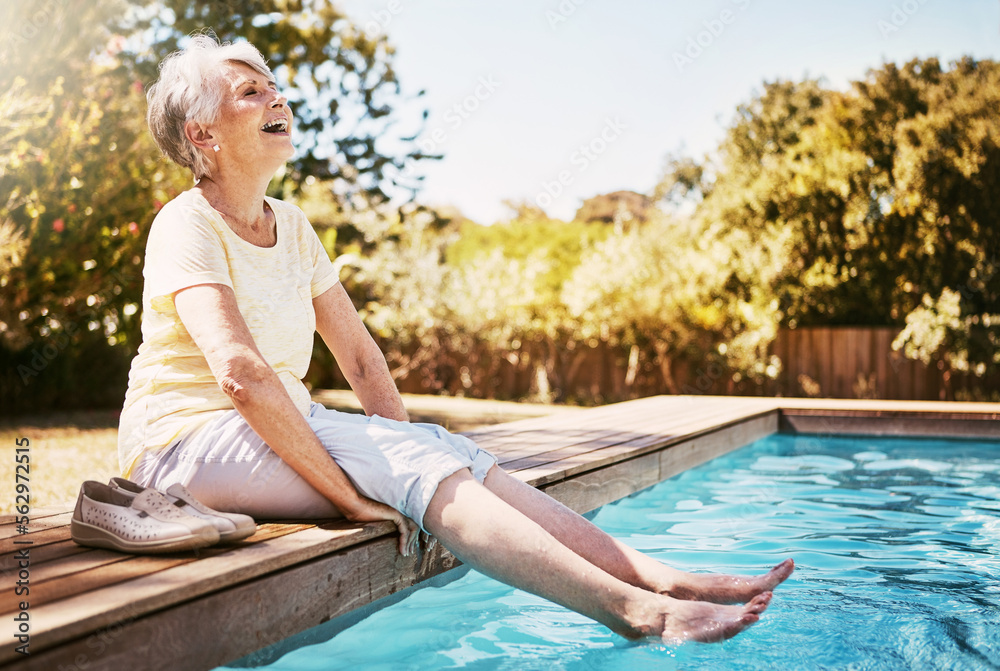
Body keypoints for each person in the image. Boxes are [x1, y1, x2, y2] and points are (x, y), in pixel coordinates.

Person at [119, 33, 793, 644]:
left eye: (274, 85)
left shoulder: (292, 226)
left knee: (448, 449)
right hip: (182, 444)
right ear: (202, 133)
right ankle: (638, 610)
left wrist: (406, 449)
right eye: (252, 91)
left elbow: (359, 356)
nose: (278, 96)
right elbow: (240, 373)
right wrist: (361, 494)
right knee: (416, 466)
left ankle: (658, 577)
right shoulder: (187, 224)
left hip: (275, 425)